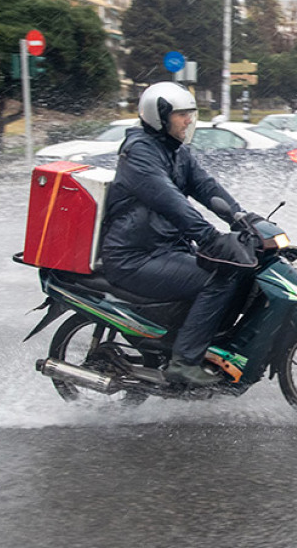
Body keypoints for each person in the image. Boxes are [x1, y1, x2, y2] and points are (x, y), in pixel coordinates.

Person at [99, 82, 255, 386]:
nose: (188, 121)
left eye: (190, 114)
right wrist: (210, 237)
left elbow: (206, 187)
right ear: (158, 118)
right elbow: (170, 201)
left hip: (166, 249)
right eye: (181, 115)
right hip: (135, 257)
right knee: (219, 277)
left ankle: (206, 345)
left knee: (242, 270)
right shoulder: (139, 153)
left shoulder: (176, 150)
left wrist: (243, 219)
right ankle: (184, 362)